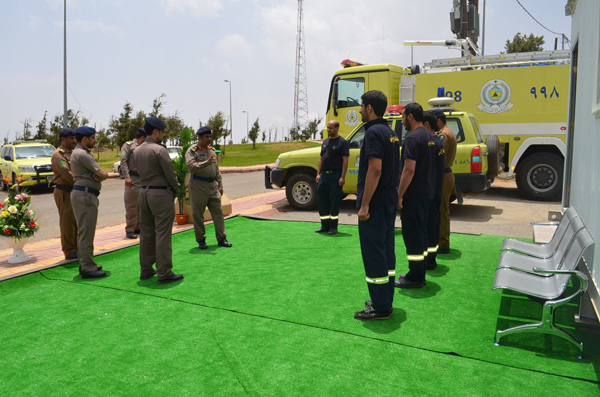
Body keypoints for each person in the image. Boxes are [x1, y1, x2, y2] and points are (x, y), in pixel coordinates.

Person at [354, 90, 400, 320]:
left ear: (370, 108)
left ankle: (381, 307)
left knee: (374, 255)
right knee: (386, 253)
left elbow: (375, 169)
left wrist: (364, 206)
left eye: (361, 106)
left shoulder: (373, 133)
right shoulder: (391, 133)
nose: (360, 110)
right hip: (388, 202)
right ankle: (385, 299)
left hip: (376, 206)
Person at [135, 117, 184, 284]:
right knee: (163, 233)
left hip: (144, 193)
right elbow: (170, 174)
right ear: (155, 131)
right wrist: (177, 190)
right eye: (162, 131)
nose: (163, 135)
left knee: (147, 233)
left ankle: (146, 270)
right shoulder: (159, 150)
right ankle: (164, 272)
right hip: (160, 194)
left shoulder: (138, 150)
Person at [395, 102, 436, 289]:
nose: (402, 120)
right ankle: (417, 271)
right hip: (427, 192)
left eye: (403, 116)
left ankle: (416, 277)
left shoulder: (412, 138)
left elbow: (408, 170)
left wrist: (399, 194)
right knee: (421, 233)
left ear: (410, 116)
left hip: (414, 195)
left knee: (412, 236)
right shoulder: (428, 136)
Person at [70, 126, 120, 278]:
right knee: (86, 233)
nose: (95, 141)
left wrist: (98, 175)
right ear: (85, 139)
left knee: (86, 232)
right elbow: (102, 173)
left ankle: (87, 262)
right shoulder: (82, 154)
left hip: (84, 194)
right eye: (93, 138)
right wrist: (104, 175)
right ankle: (87, 267)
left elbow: (98, 175)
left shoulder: (80, 153)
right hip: (85, 196)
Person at [186, 126, 232, 249]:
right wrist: (206, 162)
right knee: (198, 215)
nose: (209, 139)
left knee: (218, 213)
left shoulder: (211, 150)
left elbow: (216, 169)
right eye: (206, 137)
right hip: (198, 186)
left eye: (210, 137)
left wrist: (220, 184)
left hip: (212, 186)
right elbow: (192, 167)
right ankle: (201, 240)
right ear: (199, 137)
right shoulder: (192, 151)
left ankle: (222, 238)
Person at [315, 120, 349, 235]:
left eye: (331, 128)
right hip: (324, 176)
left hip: (335, 175)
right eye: (328, 128)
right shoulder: (325, 142)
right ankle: (324, 225)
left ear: (337, 128)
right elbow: (321, 159)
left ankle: (333, 227)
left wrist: (342, 177)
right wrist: (318, 174)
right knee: (322, 201)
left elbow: (345, 160)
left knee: (334, 202)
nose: (328, 130)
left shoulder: (342, 142)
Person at [423, 110, 445, 270]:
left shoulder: (431, 143)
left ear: (426, 124)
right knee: (434, 224)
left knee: (430, 226)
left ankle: (429, 260)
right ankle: (432, 258)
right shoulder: (438, 142)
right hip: (436, 189)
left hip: (430, 191)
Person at [51, 127, 78, 260]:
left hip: (74, 190)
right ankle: (69, 250)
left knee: (77, 221)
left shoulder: (73, 152)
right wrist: (82, 182)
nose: (74, 140)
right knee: (67, 222)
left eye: (74, 138)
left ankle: (77, 247)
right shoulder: (58, 155)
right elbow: (67, 174)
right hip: (64, 191)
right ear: (63, 139)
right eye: (71, 138)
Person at [435, 110, 457, 254]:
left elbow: (438, 156)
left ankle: (443, 243)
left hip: (443, 174)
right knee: (442, 210)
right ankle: (442, 241)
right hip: (445, 173)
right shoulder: (447, 132)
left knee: (442, 210)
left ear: (438, 121)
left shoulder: (443, 135)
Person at [121, 128, 146, 239]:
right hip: (133, 178)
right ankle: (130, 229)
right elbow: (123, 161)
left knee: (141, 205)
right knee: (131, 205)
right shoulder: (128, 145)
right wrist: (127, 176)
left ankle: (138, 227)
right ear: (142, 137)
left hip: (142, 179)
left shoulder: (144, 147)